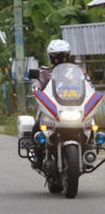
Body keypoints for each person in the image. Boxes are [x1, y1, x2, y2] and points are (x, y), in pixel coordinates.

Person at [30, 39, 72, 168]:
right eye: (55, 56)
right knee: (37, 126)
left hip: (72, 106)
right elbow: (37, 81)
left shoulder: (75, 72)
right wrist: (36, 87)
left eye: (62, 55)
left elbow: (86, 83)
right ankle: (37, 154)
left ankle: (90, 147)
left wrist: (91, 87)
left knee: (90, 124)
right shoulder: (45, 72)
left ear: (68, 56)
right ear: (50, 57)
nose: (59, 59)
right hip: (50, 108)